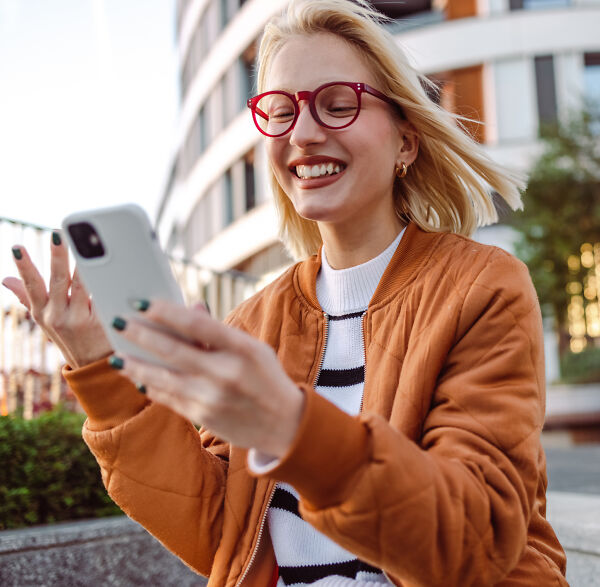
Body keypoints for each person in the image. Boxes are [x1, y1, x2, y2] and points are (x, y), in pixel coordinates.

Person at [2, 0, 568, 584]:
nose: (302, 132)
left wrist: (291, 429)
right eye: (280, 110)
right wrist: (102, 373)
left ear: (406, 141)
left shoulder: (482, 287)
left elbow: (472, 540)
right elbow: (224, 537)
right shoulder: (254, 321)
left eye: (338, 104)